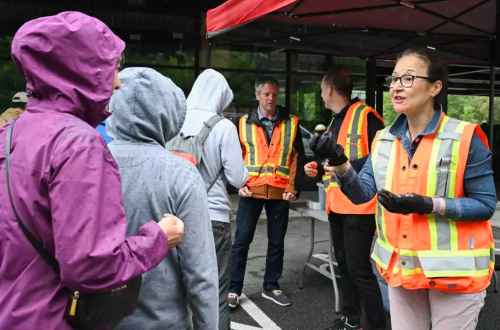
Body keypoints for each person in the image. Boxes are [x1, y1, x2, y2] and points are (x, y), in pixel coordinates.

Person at [0, 12, 184, 330]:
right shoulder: (79, 144)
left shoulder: (11, 133)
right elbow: (90, 267)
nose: (115, 83)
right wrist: (159, 238)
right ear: (81, 70)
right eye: (112, 68)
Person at [316, 47, 496, 330]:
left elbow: (485, 206)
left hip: (454, 274)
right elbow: (363, 193)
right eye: (394, 79)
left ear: (435, 87)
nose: (397, 86)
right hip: (404, 271)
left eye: (408, 78)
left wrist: (430, 204)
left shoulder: (465, 137)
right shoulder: (384, 139)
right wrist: (339, 162)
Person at [107, 67, 218, 330]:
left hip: (96, 319)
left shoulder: (86, 161)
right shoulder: (181, 174)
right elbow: (201, 275)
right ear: (169, 113)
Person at [305, 67, 386, 330]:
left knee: (360, 270)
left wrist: (342, 165)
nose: (321, 95)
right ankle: (351, 319)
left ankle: (375, 325)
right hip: (337, 205)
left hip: (360, 208)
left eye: (320, 90)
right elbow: (331, 159)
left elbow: (380, 159)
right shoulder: (334, 122)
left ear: (329, 89)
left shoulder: (367, 117)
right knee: (345, 267)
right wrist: (317, 167)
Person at [179, 69, 248, 330]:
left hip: (175, 219)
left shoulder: (177, 119)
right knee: (216, 293)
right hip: (213, 219)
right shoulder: (223, 126)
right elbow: (237, 178)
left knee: (178, 290)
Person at [229, 76, 306, 308]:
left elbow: (297, 157)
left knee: (277, 242)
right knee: (241, 240)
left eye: (274, 94)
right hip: (250, 191)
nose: (271, 98)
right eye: (266, 94)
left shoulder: (291, 122)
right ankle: (233, 289)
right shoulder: (243, 123)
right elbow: (234, 157)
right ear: (257, 95)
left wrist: (295, 187)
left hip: (280, 191)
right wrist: (237, 184)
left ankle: (271, 286)